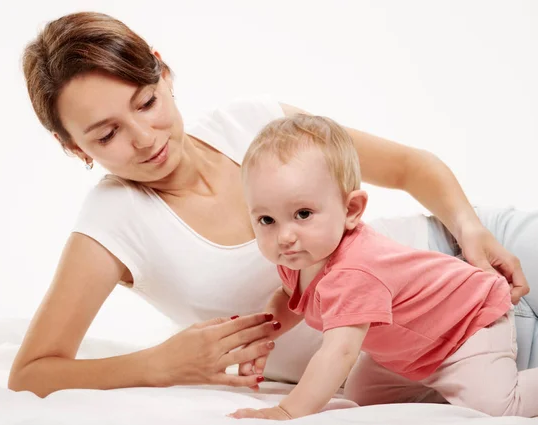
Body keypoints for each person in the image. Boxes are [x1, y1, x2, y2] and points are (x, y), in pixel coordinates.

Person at [8, 11, 534, 398]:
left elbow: (407, 167)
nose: (145, 138)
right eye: (106, 135)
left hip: (473, 262)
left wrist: (469, 231)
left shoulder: (252, 123)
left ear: (163, 73)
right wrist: (160, 363)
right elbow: (33, 370)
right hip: (428, 356)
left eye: (146, 102)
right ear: (73, 147)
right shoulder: (112, 225)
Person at [229, 115, 537, 420]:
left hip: (465, 326)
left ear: (351, 210)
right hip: (410, 350)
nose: (284, 237)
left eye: (303, 213)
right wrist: (263, 334)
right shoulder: (299, 257)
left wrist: (287, 410)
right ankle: (445, 386)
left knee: (498, 408)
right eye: (266, 220)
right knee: (364, 397)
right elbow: (288, 299)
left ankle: (474, 382)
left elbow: (340, 353)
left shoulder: (354, 272)